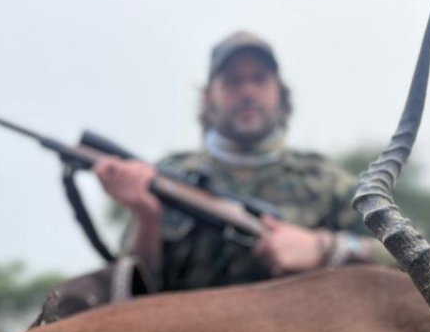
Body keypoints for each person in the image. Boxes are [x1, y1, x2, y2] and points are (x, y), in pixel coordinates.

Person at [94, 31, 396, 292]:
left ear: (281, 96)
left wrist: (324, 248)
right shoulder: (167, 177)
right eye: (232, 81)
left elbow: (404, 259)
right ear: (208, 98)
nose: (247, 91)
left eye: (259, 79)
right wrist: (147, 217)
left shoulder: (327, 181)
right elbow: (128, 292)